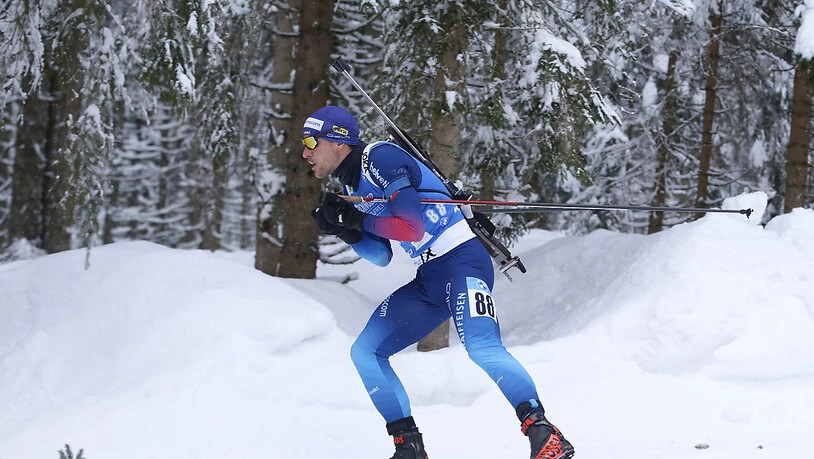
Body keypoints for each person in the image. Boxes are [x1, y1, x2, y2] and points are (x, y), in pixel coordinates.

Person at [303, 106, 575, 459]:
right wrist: (346, 229)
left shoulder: (379, 158)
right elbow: (381, 256)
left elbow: (412, 227)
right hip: (429, 278)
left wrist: (358, 220)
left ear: (339, 142)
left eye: (311, 142)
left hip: (463, 263)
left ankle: (544, 432)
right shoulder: (352, 184)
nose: (305, 153)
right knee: (365, 353)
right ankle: (410, 448)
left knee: (481, 347)